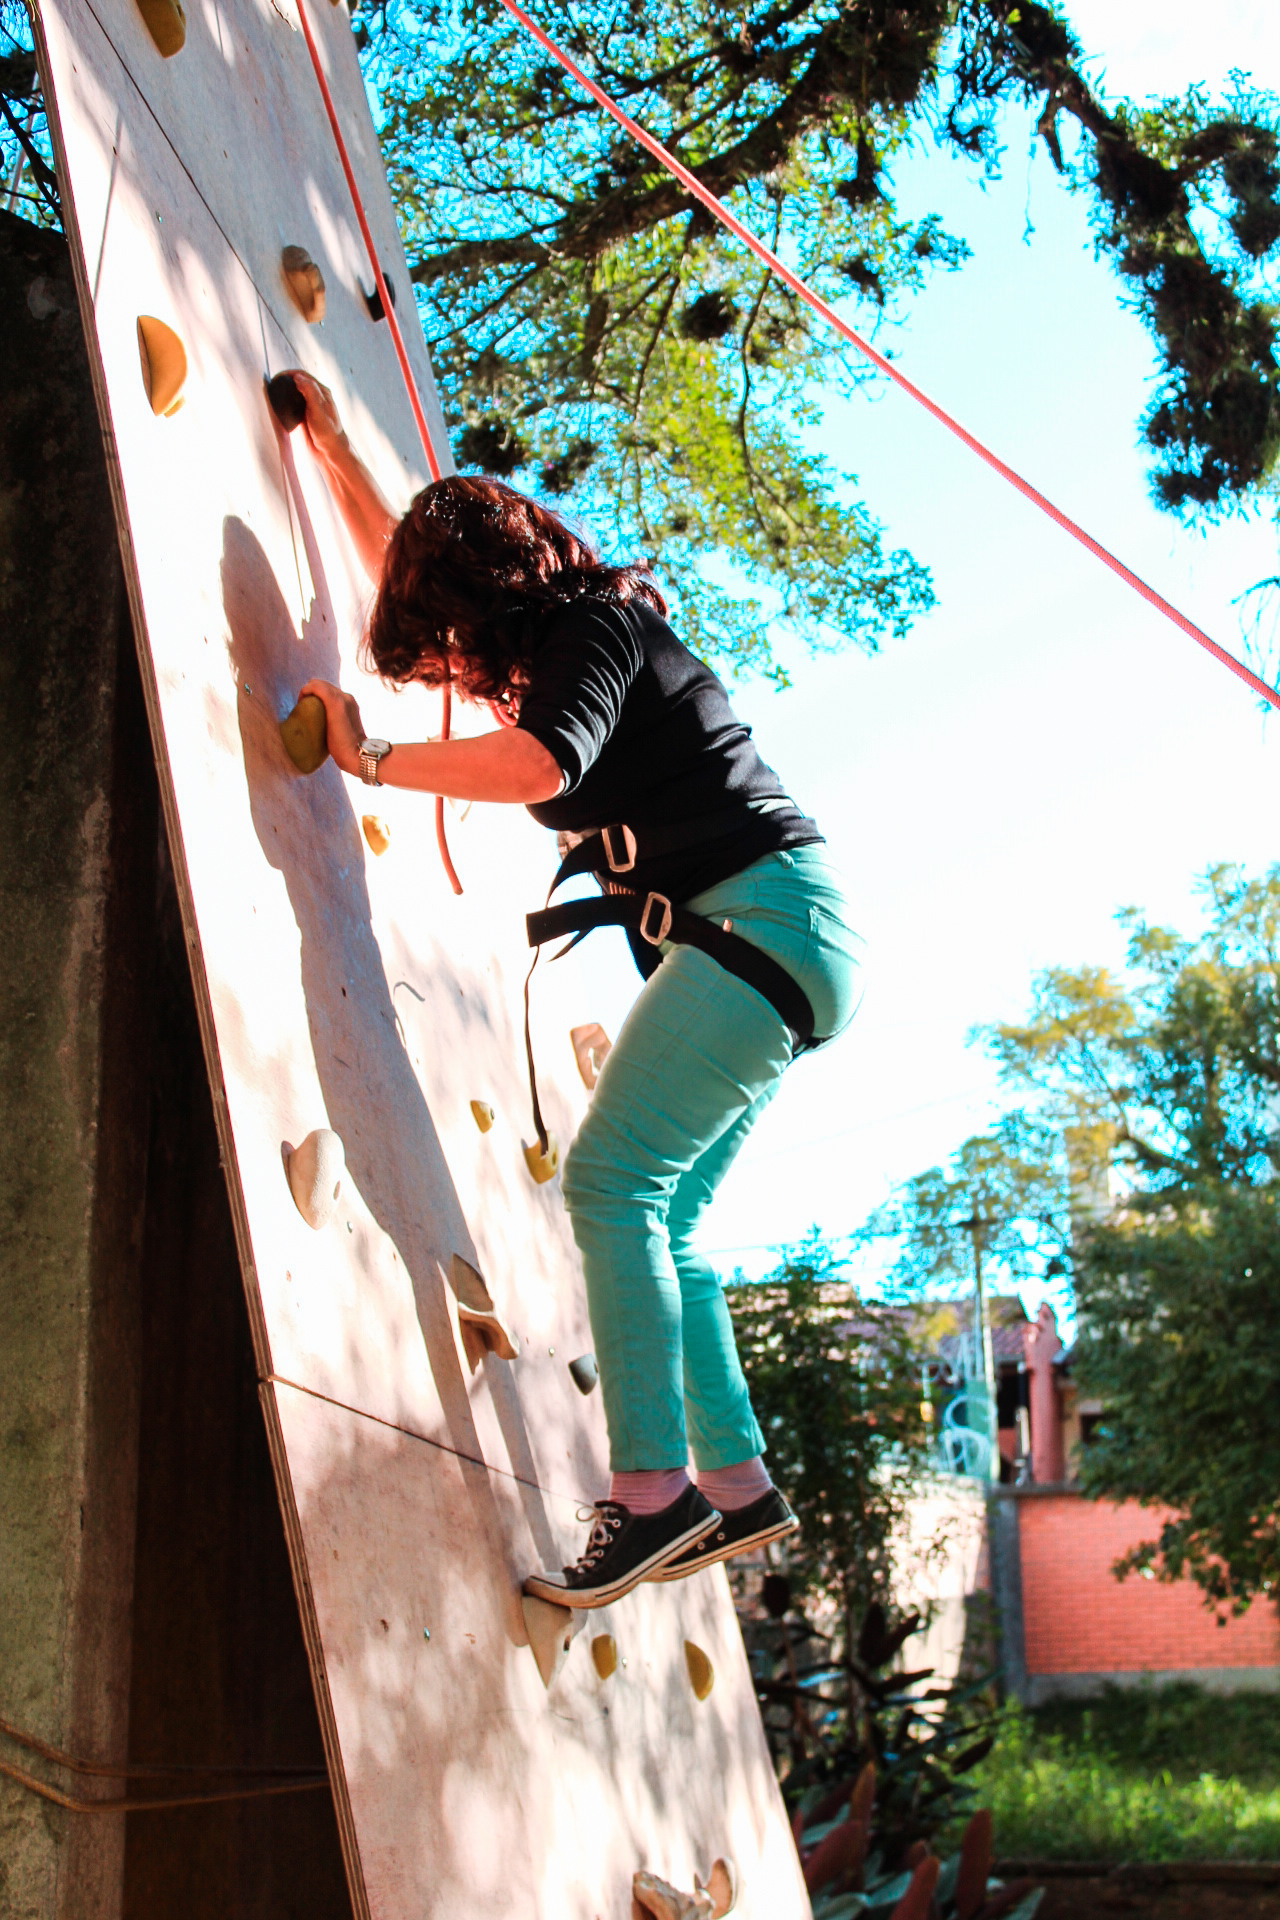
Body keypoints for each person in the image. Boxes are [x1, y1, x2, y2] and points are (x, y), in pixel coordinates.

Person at [285, 370, 863, 1609]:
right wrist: (333, 450)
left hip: (759, 926)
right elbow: (408, 566)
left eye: (450, 638)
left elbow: (540, 762)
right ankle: (736, 1483)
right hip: (786, 943)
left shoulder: (594, 630)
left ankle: (649, 1500)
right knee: (668, 1223)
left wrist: (371, 756)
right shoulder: (558, 640)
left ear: (486, 601)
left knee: (608, 1182)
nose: (450, 666)